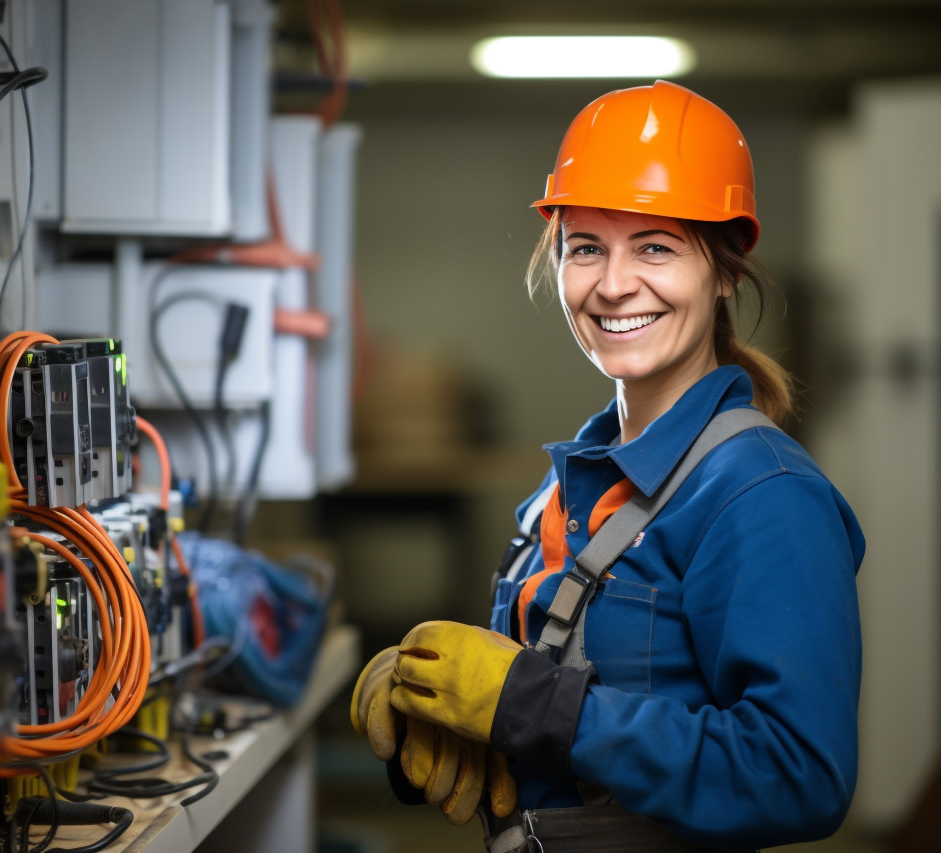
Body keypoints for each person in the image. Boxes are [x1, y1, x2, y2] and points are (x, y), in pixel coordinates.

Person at [351, 79, 865, 852]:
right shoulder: (561, 493)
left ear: (725, 270)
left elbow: (798, 774)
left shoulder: (761, 494)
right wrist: (432, 708)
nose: (614, 284)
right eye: (585, 248)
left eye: (655, 246)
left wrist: (535, 705)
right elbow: (542, 737)